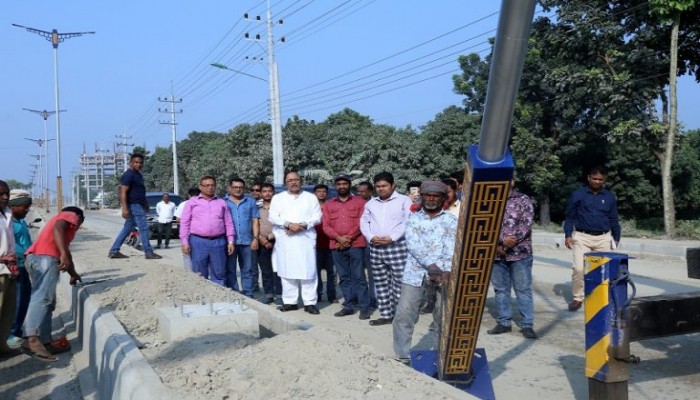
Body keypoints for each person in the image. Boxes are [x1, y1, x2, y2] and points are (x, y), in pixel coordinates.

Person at [392, 181, 457, 364]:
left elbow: (452, 247)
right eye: (428, 195)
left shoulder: (451, 220)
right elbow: (413, 244)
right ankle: (402, 356)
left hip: (444, 275)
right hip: (414, 273)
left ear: (443, 198)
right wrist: (431, 265)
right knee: (404, 315)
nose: (431, 199)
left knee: (442, 318)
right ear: (422, 197)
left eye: (436, 196)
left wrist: (445, 270)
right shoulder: (413, 218)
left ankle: (440, 357)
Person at [22, 206, 84, 362]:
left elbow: (66, 256)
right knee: (42, 298)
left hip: (36, 259)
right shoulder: (70, 214)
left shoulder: (60, 230)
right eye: (80, 222)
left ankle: (45, 341)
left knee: (48, 302)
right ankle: (31, 339)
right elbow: (59, 229)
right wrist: (63, 253)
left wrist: (73, 274)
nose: (78, 225)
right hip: (45, 259)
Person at [563, 166, 621, 312]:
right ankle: (578, 298)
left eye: (600, 179)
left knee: (605, 270)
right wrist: (568, 234)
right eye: (594, 178)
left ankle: (603, 298)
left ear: (604, 180)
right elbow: (570, 216)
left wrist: (616, 236)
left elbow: (614, 218)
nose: (597, 181)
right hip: (582, 237)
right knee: (579, 268)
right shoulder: (578, 195)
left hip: (603, 238)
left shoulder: (609, 197)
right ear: (589, 178)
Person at [486, 177, 537, 339]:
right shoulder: (489, 200)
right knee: (501, 290)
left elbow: (526, 224)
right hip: (495, 253)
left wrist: (507, 243)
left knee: (523, 289)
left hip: (519, 252)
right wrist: (499, 241)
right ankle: (504, 322)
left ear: (513, 181)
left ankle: (527, 324)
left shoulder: (523, 200)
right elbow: (485, 224)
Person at [360, 172, 412, 326]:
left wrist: (393, 237)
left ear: (392, 185)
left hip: (396, 246)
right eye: (378, 186)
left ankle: (400, 316)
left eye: (384, 186)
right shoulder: (371, 203)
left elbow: (408, 221)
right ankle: (386, 315)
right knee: (381, 282)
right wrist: (371, 237)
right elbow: (364, 222)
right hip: (376, 247)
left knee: (399, 283)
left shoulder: (404, 200)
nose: (381, 189)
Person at [268, 171, 322, 315]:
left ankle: (309, 303)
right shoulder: (278, 198)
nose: (293, 182)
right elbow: (273, 217)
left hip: (305, 240)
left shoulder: (310, 198)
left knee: (308, 272)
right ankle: (290, 302)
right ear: (286, 183)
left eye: (296, 179)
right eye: (290, 180)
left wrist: (301, 226)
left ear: (301, 181)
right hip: (286, 240)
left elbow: (317, 217)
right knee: (287, 272)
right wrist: (288, 224)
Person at [323, 174, 370, 320]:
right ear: (335, 186)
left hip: (356, 244)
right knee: (344, 277)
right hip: (336, 245)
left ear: (349, 185)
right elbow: (326, 225)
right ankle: (349, 306)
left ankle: (364, 308)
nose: (342, 186)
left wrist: (347, 238)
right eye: (339, 184)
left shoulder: (359, 201)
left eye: (344, 183)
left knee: (359, 277)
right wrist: (338, 238)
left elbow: (362, 222)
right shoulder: (329, 204)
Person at [179, 176, 235, 286]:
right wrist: (184, 242)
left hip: (218, 242)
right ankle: (201, 299)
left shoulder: (222, 203)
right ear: (200, 187)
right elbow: (185, 223)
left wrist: (231, 241)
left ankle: (219, 299)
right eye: (207, 185)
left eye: (212, 185)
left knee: (219, 273)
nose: (210, 188)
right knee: (199, 274)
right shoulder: (191, 202)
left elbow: (228, 222)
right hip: (198, 241)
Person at [108, 153, 162, 260]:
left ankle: (114, 250)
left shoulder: (138, 175)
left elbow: (140, 191)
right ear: (131, 163)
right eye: (136, 162)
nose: (139, 164)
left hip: (138, 204)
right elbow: (123, 192)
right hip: (134, 205)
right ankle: (148, 252)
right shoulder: (129, 175)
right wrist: (124, 208)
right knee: (144, 228)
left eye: (141, 163)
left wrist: (145, 204)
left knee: (128, 228)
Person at [224, 177, 260, 297]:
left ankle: (248, 294)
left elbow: (255, 221)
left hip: (247, 242)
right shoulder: (223, 202)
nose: (238, 189)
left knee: (247, 270)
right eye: (235, 187)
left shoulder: (250, 202)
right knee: (230, 270)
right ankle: (234, 293)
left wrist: (255, 239)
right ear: (230, 188)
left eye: (240, 187)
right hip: (230, 242)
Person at [7, 190, 33, 347]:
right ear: (13, 206)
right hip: (14, 267)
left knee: (24, 299)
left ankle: (16, 331)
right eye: (24, 207)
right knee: (15, 302)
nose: (27, 210)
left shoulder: (21, 222)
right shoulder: (8, 224)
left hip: (24, 266)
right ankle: (11, 333)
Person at [0, 181, 19, 357]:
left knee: (7, 310)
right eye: (1, 194)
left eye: (7, 193)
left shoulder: (7, 214)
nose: (5, 197)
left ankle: (2, 345)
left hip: (9, 269)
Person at [256, 183, 282, 305]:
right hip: (261, 243)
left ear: (273, 192)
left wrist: (270, 237)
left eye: (269, 191)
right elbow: (253, 226)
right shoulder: (257, 209)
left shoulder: (280, 209)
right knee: (266, 270)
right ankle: (269, 294)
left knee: (279, 270)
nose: (267, 193)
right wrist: (262, 239)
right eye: (264, 191)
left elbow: (282, 226)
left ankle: (280, 294)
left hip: (278, 242)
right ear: (260, 193)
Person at [355, 181, 378, 309]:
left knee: (372, 273)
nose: (359, 193)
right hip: (356, 242)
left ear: (370, 192)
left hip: (371, 243)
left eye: (363, 191)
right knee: (357, 273)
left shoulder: (375, 204)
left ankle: (373, 298)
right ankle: (359, 297)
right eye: (358, 191)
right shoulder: (354, 202)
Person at [314, 184, 336, 303]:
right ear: (315, 193)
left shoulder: (331, 206)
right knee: (316, 273)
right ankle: (317, 294)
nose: (321, 193)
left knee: (331, 273)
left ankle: (332, 296)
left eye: (324, 191)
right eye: (319, 191)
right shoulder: (312, 207)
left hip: (330, 244)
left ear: (327, 193)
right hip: (315, 245)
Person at [174, 187, 200, 272]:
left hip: (186, 233)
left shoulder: (183, 204)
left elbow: (178, 219)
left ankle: (189, 274)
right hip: (200, 233)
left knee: (187, 254)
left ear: (189, 195)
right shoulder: (203, 203)